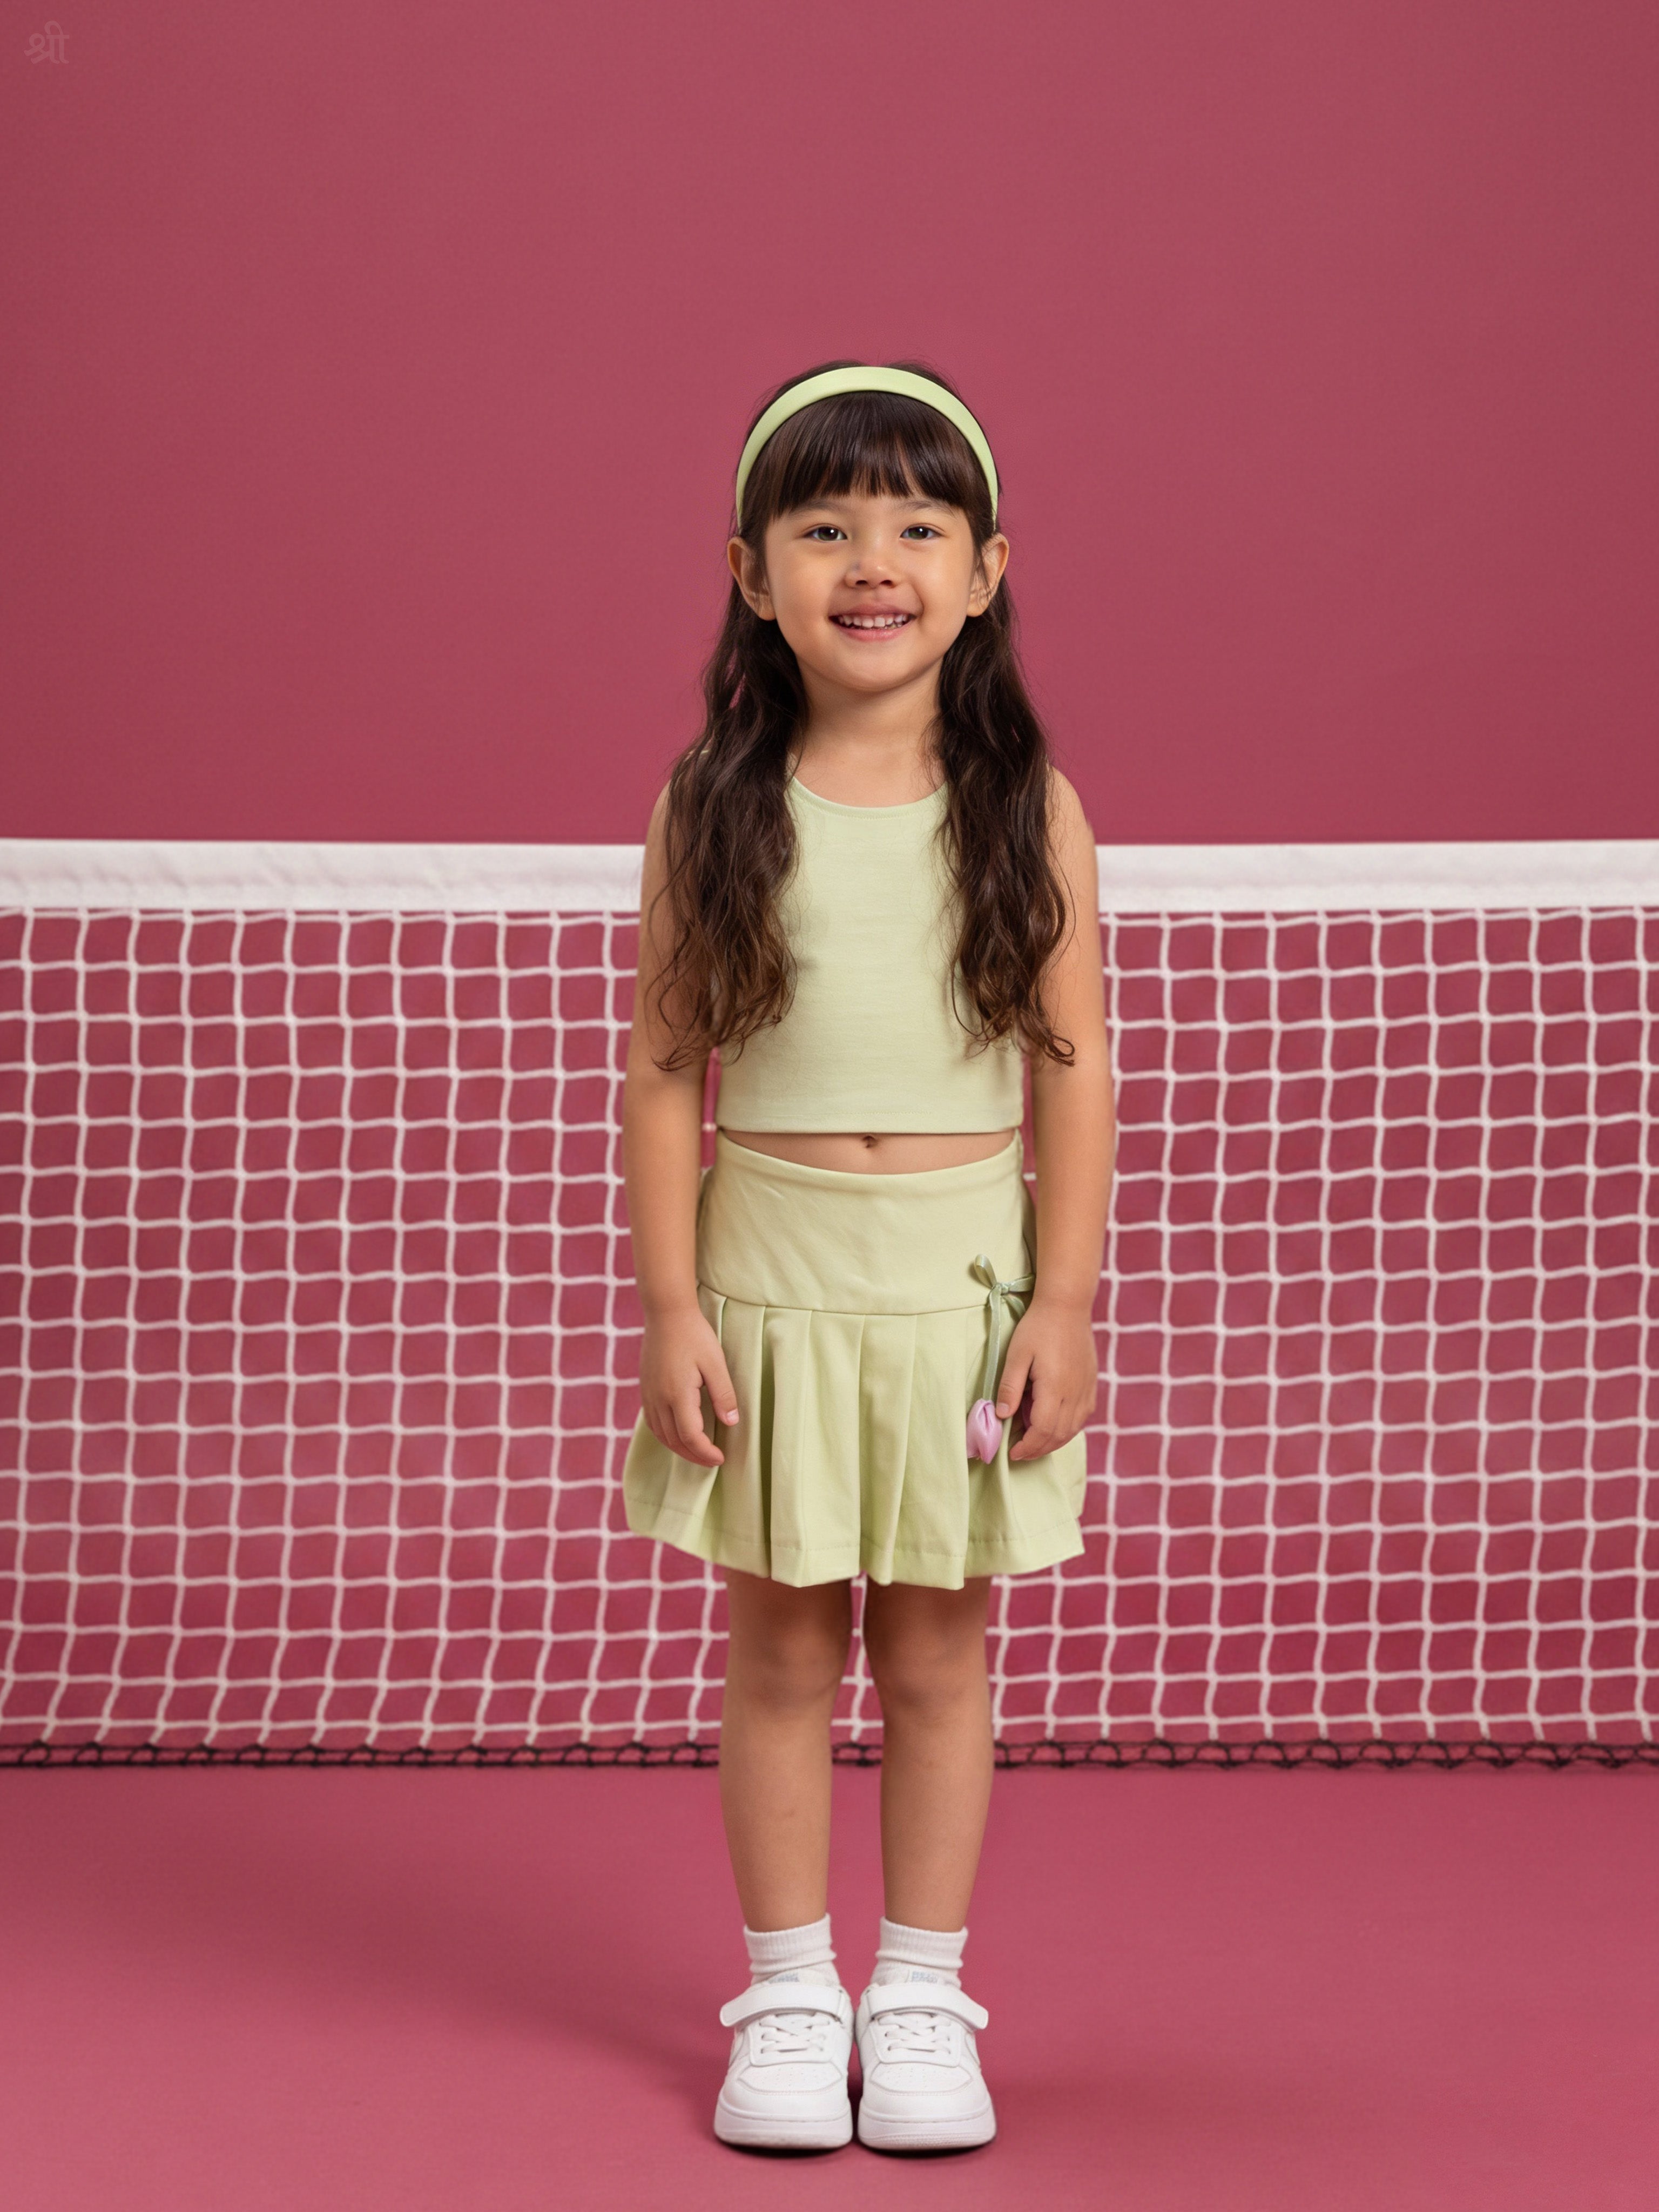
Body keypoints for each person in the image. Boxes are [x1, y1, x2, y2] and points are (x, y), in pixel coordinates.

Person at [620, 362, 1114, 2153]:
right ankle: (783, 1993)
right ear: (754, 575)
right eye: (824, 527)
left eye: (918, 524)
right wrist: (674, 1306)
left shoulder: (1024, 806)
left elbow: (1073, 1064)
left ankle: (916, 1993)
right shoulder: (716, 803)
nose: (873, 558)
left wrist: (1061, 1303)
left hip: (955, 1300)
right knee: (772, 1653)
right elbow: (670, 1068)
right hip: (772, 1286)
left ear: (986, 571)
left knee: (933, 1657)